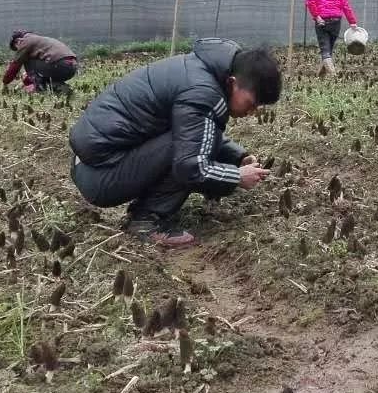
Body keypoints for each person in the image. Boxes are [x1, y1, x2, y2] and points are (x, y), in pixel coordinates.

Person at [68, 39, 280, 247]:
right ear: (233, 82)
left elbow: (195, 128)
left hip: (91, 163)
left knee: (198, 141)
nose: (251, 112)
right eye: (251, 104)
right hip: (100, 175)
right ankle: (145, 221)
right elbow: (190, 166)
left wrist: (237, 156)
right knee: (190, 155)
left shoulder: (201, 71)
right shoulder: (204, 92)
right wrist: (236, 176)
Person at [304, 0, 359, 76]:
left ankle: (334, 76)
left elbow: (310, 0)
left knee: (325, 49)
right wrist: (352, 22)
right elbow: (345, 5)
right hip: (336, 20)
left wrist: (316, 16)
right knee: (329, 49)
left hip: (322, 21)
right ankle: (320, 75)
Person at [3, 30, 79, 94]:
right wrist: (24, 83)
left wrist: (5, 82)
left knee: (27, 60)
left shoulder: (26, 41)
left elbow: (15, 66)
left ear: (17, 41)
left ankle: (40, 87)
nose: (18, 50)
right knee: (40, 72)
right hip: (72, 68)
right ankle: (60, 87)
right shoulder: (39, 40)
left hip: (59, 65)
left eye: (16, 48)